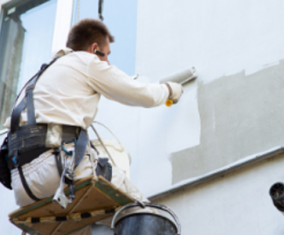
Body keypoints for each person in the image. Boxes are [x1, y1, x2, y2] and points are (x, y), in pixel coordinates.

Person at [3, 18, 183, 234]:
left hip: (23, 187)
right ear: (94, 49)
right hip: (60, 169)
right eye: (105, 55)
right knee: (141, 212)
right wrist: (170, 90)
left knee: (77, 227)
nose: (106, 63)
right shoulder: (86, 62)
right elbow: (141, 94)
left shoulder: (36, 80)